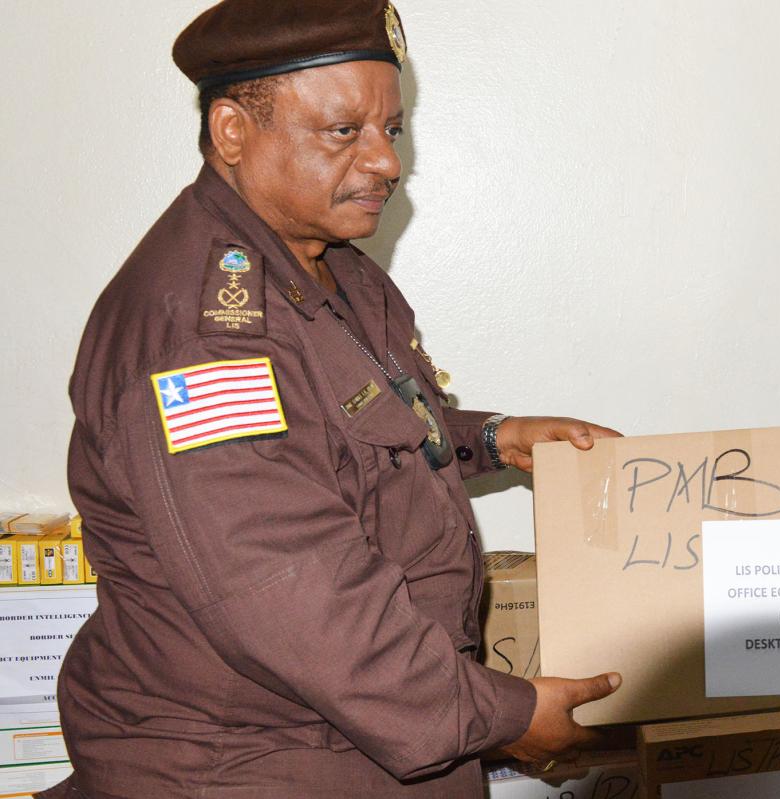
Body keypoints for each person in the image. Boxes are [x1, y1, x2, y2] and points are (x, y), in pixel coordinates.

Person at [44, 2, 621, 797]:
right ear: (232, 132)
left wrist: (491, 437)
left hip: (346, 741)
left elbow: (344, 436)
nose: (386, 161)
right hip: (255, 765)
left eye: (393, 129)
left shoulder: (327, 265)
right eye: (344, 131)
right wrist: (506, 714)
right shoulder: (208, 336)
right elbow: (297, 597)